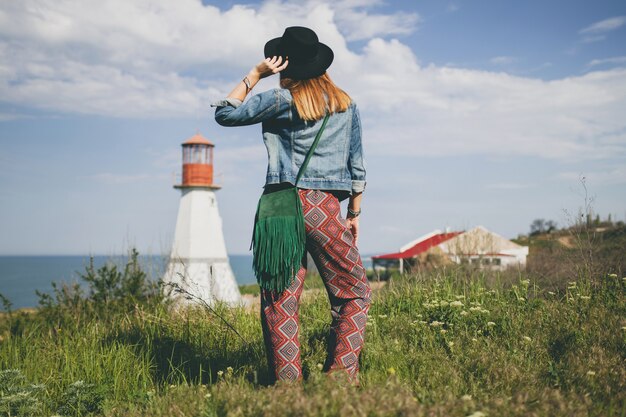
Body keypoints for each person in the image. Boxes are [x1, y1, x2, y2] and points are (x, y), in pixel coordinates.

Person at [212, 26, 371, 384]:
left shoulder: (280, 100)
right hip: (324, 208)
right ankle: (340, 378)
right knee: (354, 292)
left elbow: (225, 115)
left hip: (281, 208)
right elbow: (357, 166)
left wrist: (254, 75)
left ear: (284, 64)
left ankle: (287, 385)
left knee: (280, 299)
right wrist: (354, 213)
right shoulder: (346, 105)